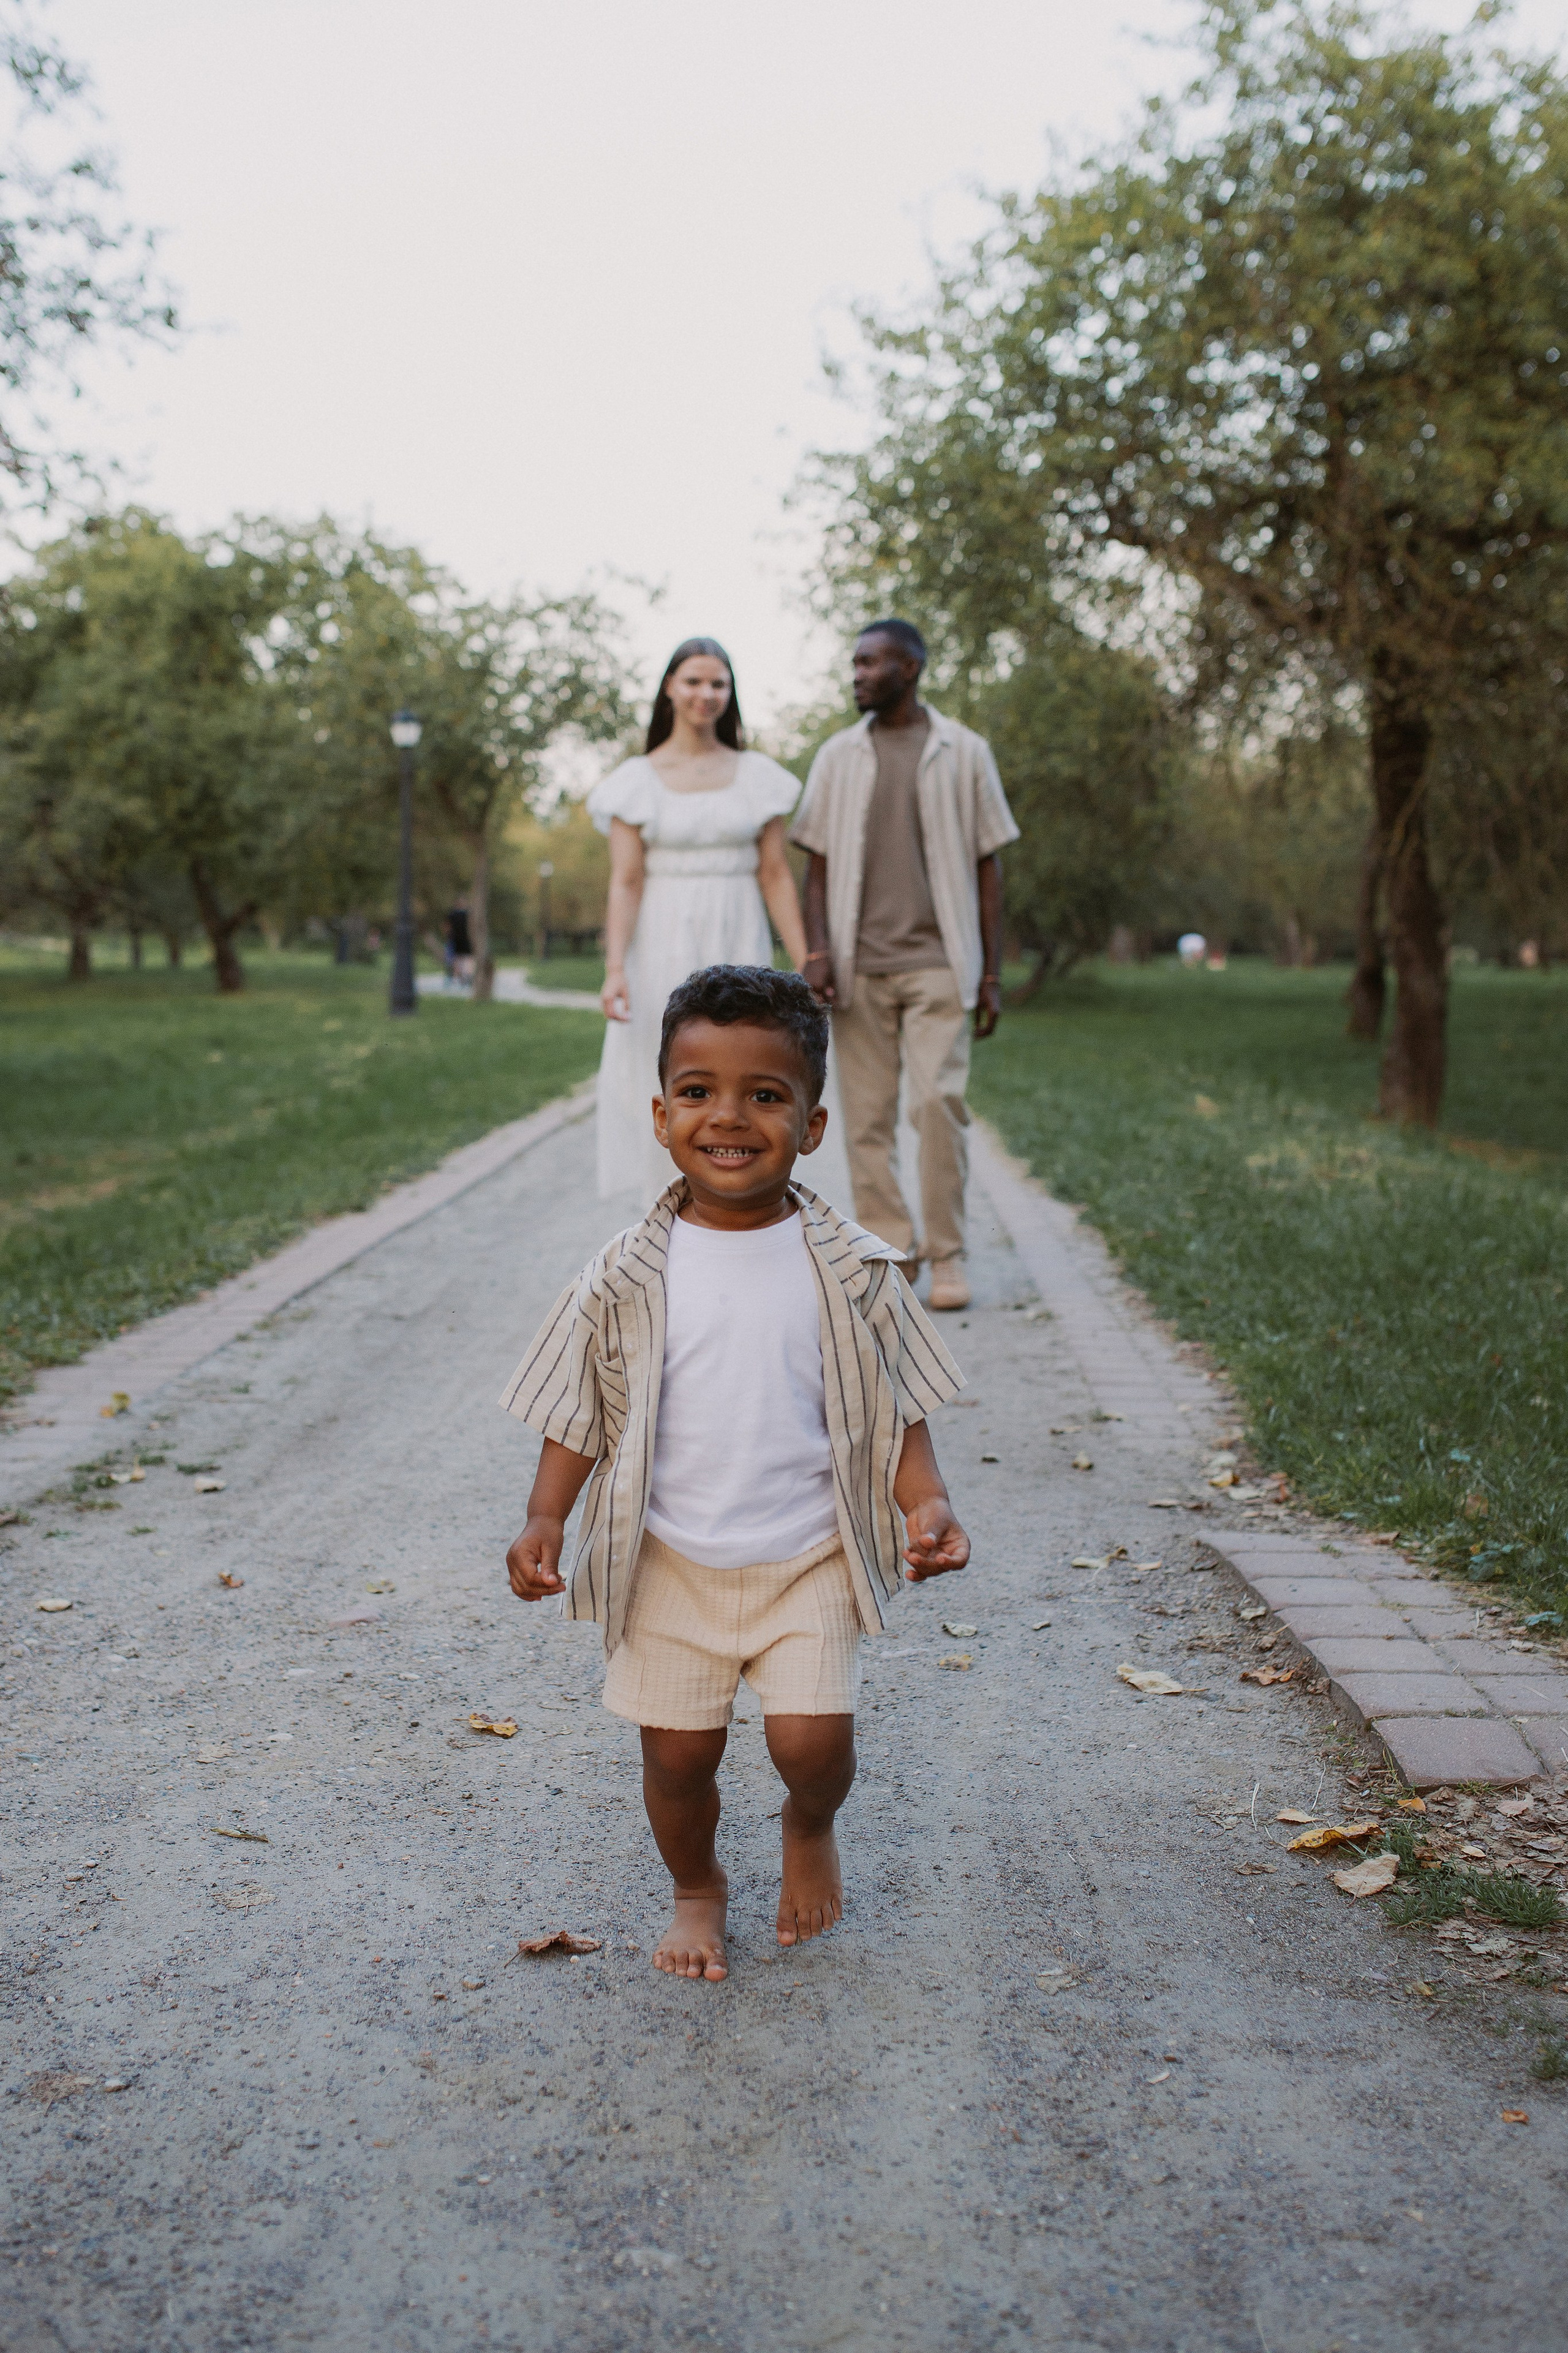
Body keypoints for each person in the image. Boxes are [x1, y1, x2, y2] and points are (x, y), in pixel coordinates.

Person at [500, 965, 970, 1982]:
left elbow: (896, 1409)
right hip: (670, 1564)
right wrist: (545, 1518)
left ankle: (809, 1823)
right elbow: (577, 1413)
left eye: (766, 1095)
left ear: (811, 1125)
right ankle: (698, 1885)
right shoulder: (625, 1272)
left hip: (808, 1558)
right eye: (702, 1092)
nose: (732, 1116)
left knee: (812, 1742)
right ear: (662, 1114)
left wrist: (926, 1501)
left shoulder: (852, 1267)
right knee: (676, 1760)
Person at [791, 619, 1019, 1312]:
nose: (858, 673)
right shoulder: (837, 756)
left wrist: (989, 974)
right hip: (859, 968)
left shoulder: (964, 752)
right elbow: (817, 866)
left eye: (871, 662)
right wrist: (819, 951)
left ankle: (947, 1255)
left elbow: (989, 865)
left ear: (911, 667)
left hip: (938, 962)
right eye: (855, 663)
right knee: (863, 1118)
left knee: (935, 1105)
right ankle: (889, 1253)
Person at [587, 638, 809, 1201]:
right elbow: (626, 880)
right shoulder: (635, 780)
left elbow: (776, 874)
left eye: (717, 683)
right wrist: (615, 967)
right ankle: (663, 1214)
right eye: (693, 681)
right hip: (661, 938)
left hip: (738, 931)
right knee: (664, 1068)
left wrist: (806, 961)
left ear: (730, 693)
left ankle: (744, 1200)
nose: (705, 694)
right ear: (669, 687)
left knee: (745, 1060)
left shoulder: (758, 775)